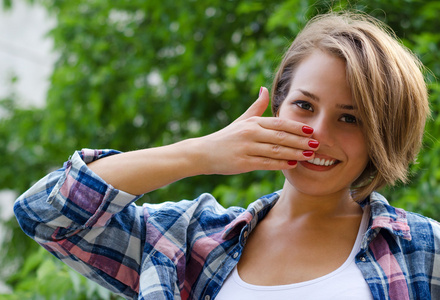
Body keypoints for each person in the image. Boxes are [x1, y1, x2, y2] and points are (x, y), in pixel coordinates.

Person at [14, 11, 439, 300]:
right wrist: (201, 153)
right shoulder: (184, 241)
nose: (317, 134)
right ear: (276, 109)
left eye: (351, 119)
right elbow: (46, 214)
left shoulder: (423, 251)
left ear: (383, 135)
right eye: (304, 107)